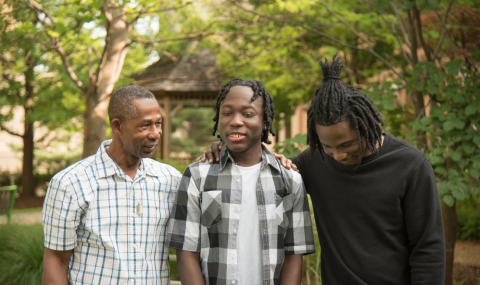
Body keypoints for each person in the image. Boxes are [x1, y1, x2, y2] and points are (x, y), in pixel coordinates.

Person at [200, 56, 446, 284]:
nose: (338, 155)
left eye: (348, 144)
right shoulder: (314, 161)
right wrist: (226, 147)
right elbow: (267, 169)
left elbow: (428, 249)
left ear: (369, 127)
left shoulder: (410, 166)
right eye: (328, 146)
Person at [166, 78, 315, 285]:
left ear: (265, 121)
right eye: (227, 113)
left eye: (248, 114)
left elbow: (293, 255)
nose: (235, 121)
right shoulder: (197, 176)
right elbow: (186, 252)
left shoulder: (290, 180)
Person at [42, 85, 181, 285]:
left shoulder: (171, 180)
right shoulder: (69, 184)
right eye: (145, 125)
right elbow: (56, 261)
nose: (156, 133)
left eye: (158, 123)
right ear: (117, 126)